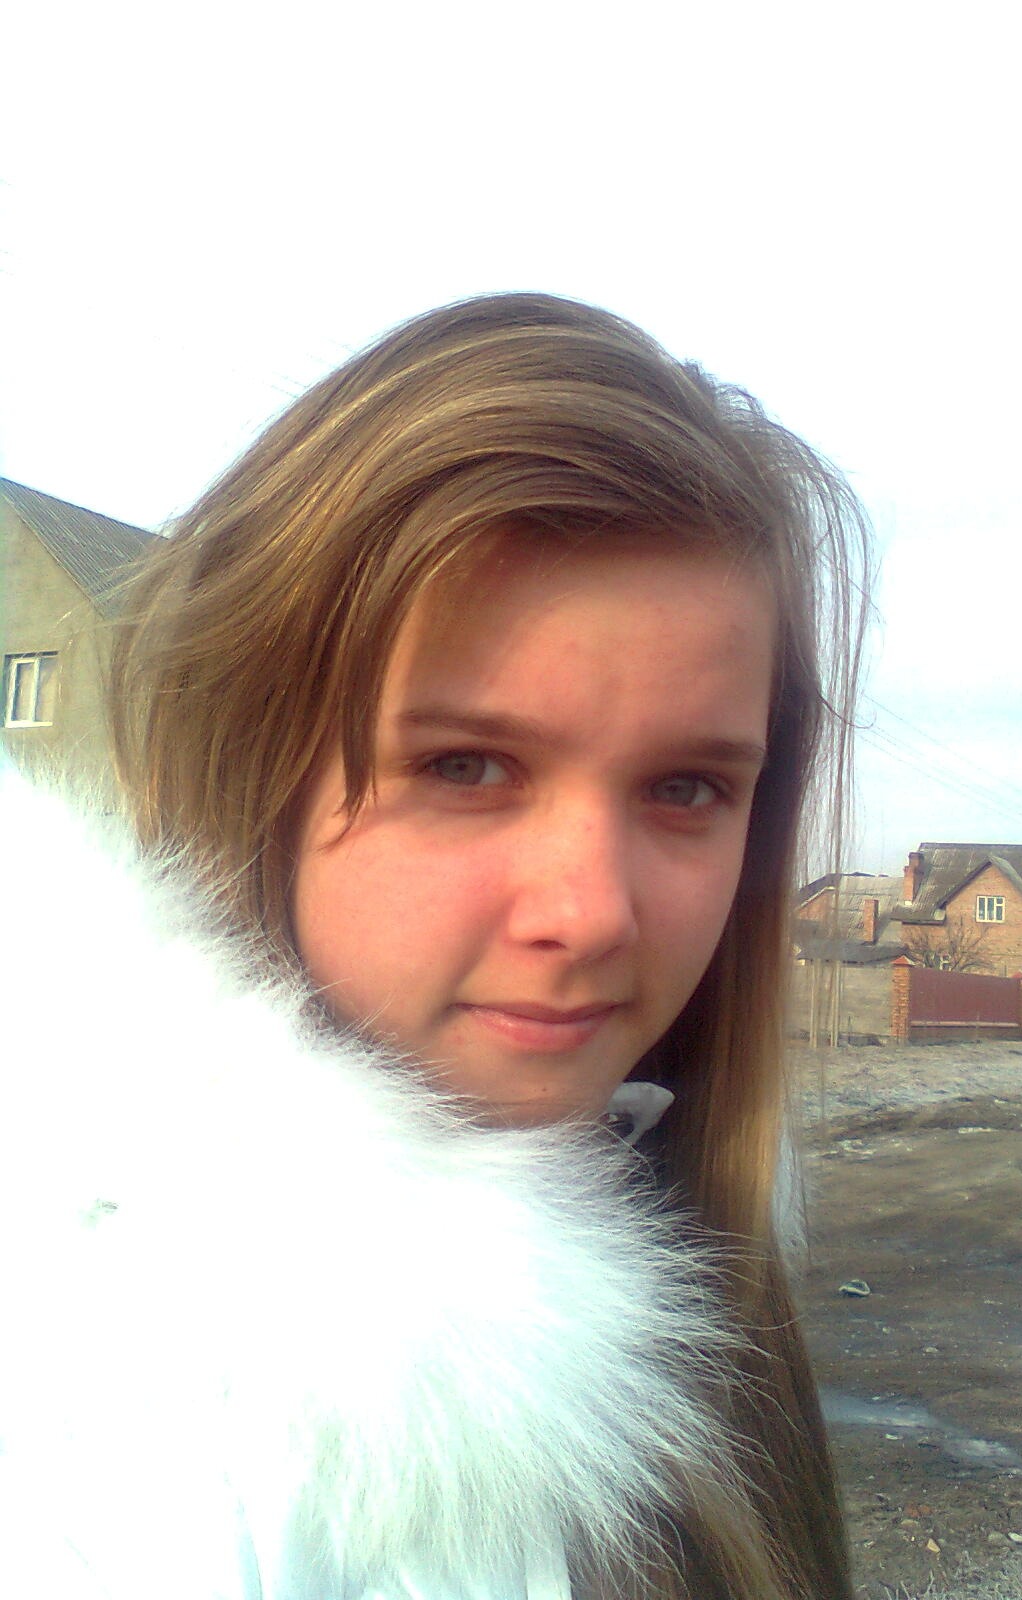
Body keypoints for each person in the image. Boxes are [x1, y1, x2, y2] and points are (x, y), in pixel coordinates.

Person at [1, 294, 868, 1599]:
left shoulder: (672, 1209)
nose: (592, 912)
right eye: (466, 767)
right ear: (254, 764)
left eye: (687, 788)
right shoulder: (115, 1435)